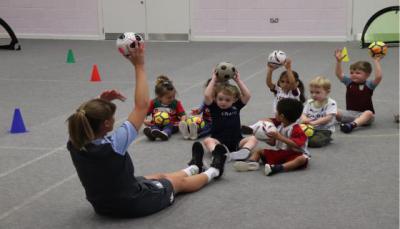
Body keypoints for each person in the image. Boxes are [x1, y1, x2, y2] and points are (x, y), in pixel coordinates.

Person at [66, 43, 226, 218]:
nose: (114, 119)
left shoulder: (75, 140)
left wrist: (99, 101)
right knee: (178, 183)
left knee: (158, 176)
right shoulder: (114, 145)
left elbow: (87, 114)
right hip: (133, 203)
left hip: (103, 204)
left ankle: (195, 166)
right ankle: (214, 170)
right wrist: (139, 65)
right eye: (112, 117)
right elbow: (141, 106)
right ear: (105, 124)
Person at [191, 69, 258, 163]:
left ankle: (243, 152)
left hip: (237, 142)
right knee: (208, 141)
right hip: (219, 142)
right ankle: (218, 154)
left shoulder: (236, 106)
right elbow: (207, 95)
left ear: (234, 100)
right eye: (220, 99)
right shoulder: (214, 107)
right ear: (215, 98)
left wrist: (238, 81)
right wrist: (214, 79)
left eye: (227, 100)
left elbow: (247, 95)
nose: (223, 102)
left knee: (253, 138)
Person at [233, 98, 310, 176]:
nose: (275, 113)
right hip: (281, 153)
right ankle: (251, 163)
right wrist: (261, 135)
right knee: (259, 151)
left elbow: (297, 144)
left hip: (295, 154)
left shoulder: (296, 129)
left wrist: (280, 137)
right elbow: (273, 143)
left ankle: (278, 168)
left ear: (282, 116)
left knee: (301, 159)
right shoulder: (280, 124)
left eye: (277, 111)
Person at [241, 58, 305, 134]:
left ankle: (276, 131)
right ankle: (251, 129)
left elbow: (292, 83)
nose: (285, 84)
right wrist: (270, 70)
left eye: (288, 82)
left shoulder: (294, 93)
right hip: (279, 119)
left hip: (290, 121)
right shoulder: (278, 90)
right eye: (282, 81)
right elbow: (269, 83)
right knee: (263, 121)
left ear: (297, 83)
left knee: (276, 130)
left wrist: (288, 68)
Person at [334, 49, 383, 133]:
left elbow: (378, 77)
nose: (354, 75)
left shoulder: (369, 85)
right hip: (350, 114)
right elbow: (339, 74)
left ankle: (351, 125)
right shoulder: (349, 82)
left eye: (358, 73)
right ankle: (316, 120)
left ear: (367, 75)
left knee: (369, 113)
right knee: (332, 109)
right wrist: (339, 62)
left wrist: (376, 61)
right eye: (352, 72)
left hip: (365, 117)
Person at [143, 75, 186, 140]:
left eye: (173, 96)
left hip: (173, 123)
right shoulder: (154, 103)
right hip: (157, 122)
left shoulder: (176, 103)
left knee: (169, 126)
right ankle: (152, 134)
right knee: (154, 125)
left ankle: (165, 134)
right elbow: (144, 114)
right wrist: (145, 121)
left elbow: (183, 115)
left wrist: (182, 122)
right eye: (169, 98)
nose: (172, 99)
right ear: (159, 97)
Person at [300, 76, 337, 147]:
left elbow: (328, 118)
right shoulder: (310, 102)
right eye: (311, 92)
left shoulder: (331, 103)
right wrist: (304, 119)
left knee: (314, 142)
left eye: (317, 92)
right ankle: (305, 139)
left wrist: (314, 123)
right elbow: (303, 113)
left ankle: (326, 138)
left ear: (327, 92)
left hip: (324, 130)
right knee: (293, 134)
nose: (314, 95)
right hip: (308, 127)